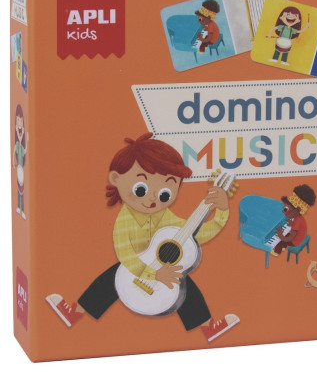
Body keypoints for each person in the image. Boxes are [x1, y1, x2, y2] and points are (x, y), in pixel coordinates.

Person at [46, 133, 239, 342]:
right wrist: (153, 274)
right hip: (134, 268)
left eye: (164, 193)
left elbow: (193, 234)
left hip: (162, 269)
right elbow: (125, 254)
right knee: (109, 278)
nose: (153, 199)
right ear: (116, 178)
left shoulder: (165, 216)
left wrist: (221, 211)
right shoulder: (125, 220)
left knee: (185, 283)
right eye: (141, 189)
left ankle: (208, 327)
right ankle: (74, 312)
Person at [271, 184, 316, 256]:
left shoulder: (297, 221)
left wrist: (280, 235)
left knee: (280, 242)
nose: (283, 211)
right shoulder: (298, 217)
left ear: (297, 210)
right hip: (298, 236)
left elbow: (289, 238)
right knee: (285, 235)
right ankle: (284, 246)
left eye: (285, 209)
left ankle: (276, 252)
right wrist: (291, 224)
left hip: (295, 241)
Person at [12, 104, 28, 220]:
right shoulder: (17, 144)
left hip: (20, 169)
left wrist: (27, 140)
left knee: (22, 189)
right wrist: (13, 163)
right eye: (18, 121)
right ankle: (19, 207)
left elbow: (25, 150)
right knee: (20, 189)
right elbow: (14, 153)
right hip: (19, 168)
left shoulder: (21, 146)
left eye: (20, 121)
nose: (19, 124)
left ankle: (21, 208)